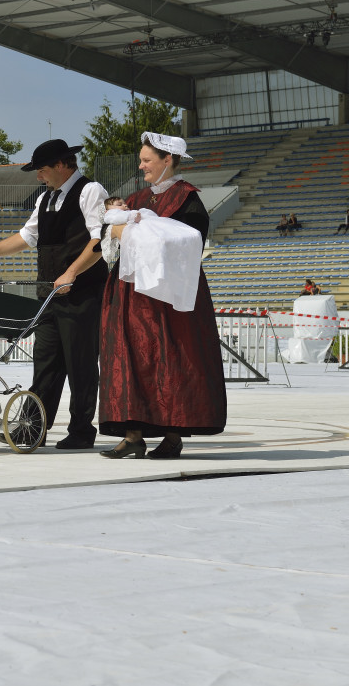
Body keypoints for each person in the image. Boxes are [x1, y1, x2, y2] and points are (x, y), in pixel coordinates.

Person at [98, 132, 226, 460]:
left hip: (169, 296)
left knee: (173, 360)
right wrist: (118, 229)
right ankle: (133, 435)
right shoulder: (138, 197)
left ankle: (173, 435)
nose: (141, 166)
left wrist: (132, 231)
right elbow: (109, 235)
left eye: (147, 160)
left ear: (167, 160)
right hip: (132, 296)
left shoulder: (188, 199)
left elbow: (189, 243)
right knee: (130, 360)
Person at [0, 138, 109, 449]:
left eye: (41, 170)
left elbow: (101, 241)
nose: (37, 177)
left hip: (82, 292)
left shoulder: (90, 191)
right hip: (48, 294)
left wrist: (71, 272)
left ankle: (82, 431)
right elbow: (26, 237)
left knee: (81, 364)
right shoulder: (44, 199)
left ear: (60, 165)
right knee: (45, 363)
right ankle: (33, 429)